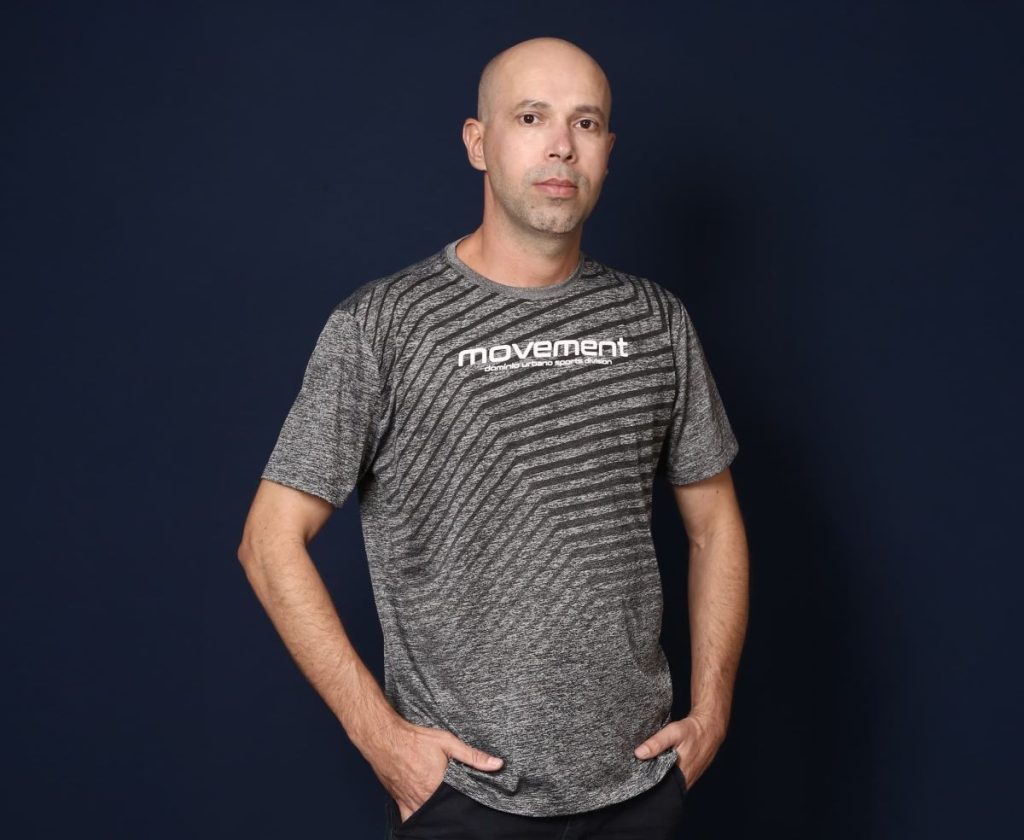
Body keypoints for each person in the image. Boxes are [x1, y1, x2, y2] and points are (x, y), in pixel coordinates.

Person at [238, 35, 749, 839]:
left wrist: (712, 713)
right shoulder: (384, 326)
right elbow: (269, 543)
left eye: (585, 123)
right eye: (531, 117)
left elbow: (714, 525)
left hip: (639, 789)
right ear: (478, 142)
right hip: (465, 800)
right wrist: (382, 741)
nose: (561, 145)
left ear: (608, 150)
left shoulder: (656, 321)